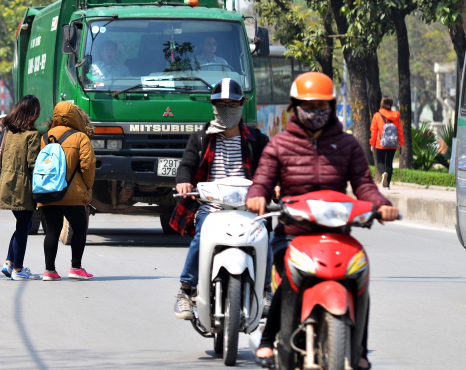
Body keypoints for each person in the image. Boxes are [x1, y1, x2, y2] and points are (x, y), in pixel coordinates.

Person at [245, 72, 399, 369]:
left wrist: (381, 205)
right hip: (292, 235)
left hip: (338, 236)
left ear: (331, 106)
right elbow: (262, 180)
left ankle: (360, 350)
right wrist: (258, 196)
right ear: (294, 107)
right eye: (308, 105)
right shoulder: (279, 145)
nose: (315, 112)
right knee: (289, 282)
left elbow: (364, 186)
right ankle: (267, 340)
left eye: (321, 106)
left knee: (359, 277)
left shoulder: (348, 146)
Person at [171, 78, 269, 320]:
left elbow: (270, 169)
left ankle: (266, 290)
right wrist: (183, 181)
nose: (226, 109)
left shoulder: (257, 140)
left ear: (241, 105)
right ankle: (185, 291)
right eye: (220, 104)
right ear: (213, 106)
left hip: (249, 207)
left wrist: (273, 188)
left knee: (267, 233)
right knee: (201, 235)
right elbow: (187, 165)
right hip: (212, 207)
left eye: (232, 104)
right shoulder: (201, 138)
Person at [39, 101, 96, 281]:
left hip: (48, 192)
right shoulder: (81, 137)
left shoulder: (45, 137)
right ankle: (76, 268)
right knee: (79, 228)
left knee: (52, 231)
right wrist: (87, 186)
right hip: (72, 195)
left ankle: (49, 271)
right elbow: (88, 166)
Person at [0, 95, 42, 281]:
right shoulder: (32, 135)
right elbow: (33, 163)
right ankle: (17, 269)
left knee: (23, 224)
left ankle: (9, 263)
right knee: (24, 227)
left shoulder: (9, 132)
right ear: (32, 114)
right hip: (23, 186)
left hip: (7, 184)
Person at [370, 96, 404, 189]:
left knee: (380, 162)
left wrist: (372, 143)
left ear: (382, 103)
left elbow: (374, 131)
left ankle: (383, 173)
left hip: (380, 143)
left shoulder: (377, 115)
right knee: (389, 163)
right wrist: (401, 144)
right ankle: (387, 184)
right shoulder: (396, 116)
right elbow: (400, 131)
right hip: (392, 144)